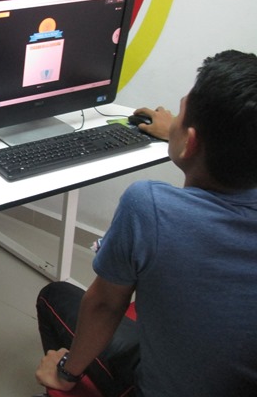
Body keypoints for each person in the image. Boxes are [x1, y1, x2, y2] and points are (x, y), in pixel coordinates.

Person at [35, 50, 257, 396]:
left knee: (54, 295)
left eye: (181, 115)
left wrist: (67, 372)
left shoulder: (148, 206)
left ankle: (65, 381)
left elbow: (106, 305)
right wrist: (178, 135)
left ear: (191, 142)